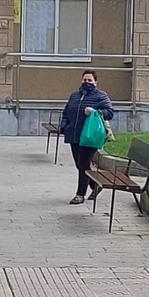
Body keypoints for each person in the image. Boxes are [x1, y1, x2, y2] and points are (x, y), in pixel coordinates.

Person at [58, 69, 115, 205]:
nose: (87, 82)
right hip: (74, 135)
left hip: (90, 136)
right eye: (85, 80)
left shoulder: (101, 96)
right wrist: (64, 126)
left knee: (83, 164)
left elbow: (110, 113)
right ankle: (95, 185)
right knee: (80, 164)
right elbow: (66, 112)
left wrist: (95, 111)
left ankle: (80, 194)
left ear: (96, 82)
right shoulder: (74, 96)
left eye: (90, 80)